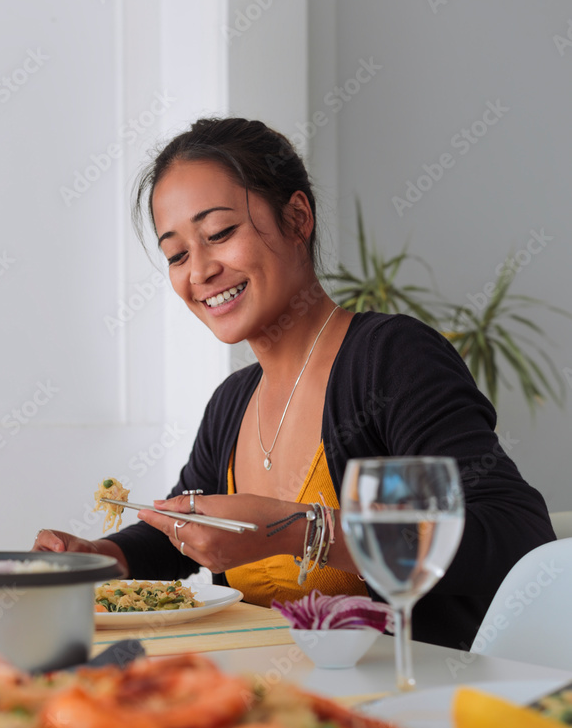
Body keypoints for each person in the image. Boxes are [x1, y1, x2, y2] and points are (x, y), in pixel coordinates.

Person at [34, 116, 555, 649]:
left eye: (219, 234)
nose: (200, 271)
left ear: (297, 217)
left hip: (405, 701)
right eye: (177, 254)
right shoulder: (233, 401)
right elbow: (177, 530)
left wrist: (297, 528)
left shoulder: (388, 361)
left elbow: (517, 537)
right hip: (267, 704)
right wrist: (106, 556)